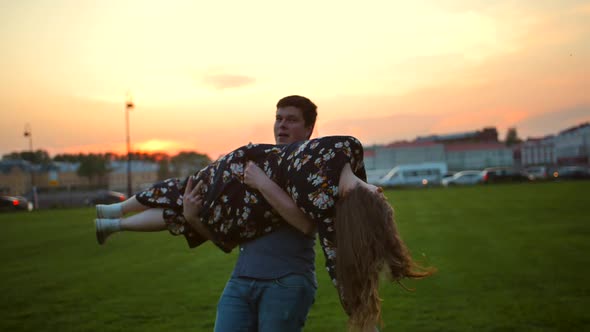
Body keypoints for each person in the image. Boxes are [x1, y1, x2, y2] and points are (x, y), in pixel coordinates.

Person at [95, 134, 434, 331]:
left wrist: (362, 316)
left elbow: (334, 260)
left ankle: (115, 219)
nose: (381, 193)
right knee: (182, 198)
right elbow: (337, 258)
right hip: (240, 179)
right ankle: (116, 216)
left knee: (180, 199)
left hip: (247, 200)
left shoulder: (323, 197)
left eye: (380, 200)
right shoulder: (350, 152)